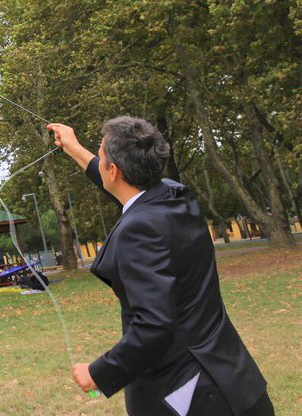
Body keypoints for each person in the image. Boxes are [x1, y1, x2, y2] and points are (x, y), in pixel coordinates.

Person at [48, 118, 273, 415]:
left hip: (193, 397)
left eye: (101, 156)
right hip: (238, 384)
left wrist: (98, 372)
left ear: (114, 170)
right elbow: (129, 192)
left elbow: (154, 326)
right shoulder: (178, 196)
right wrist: (76, 149)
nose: (99, 161)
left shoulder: (138, 230)